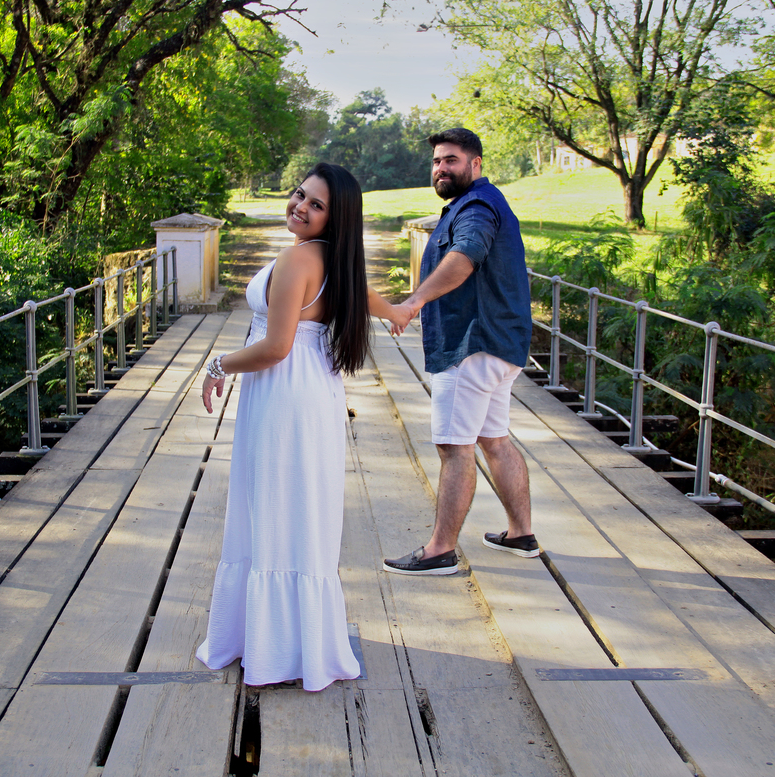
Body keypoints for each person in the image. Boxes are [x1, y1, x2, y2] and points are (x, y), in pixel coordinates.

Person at [196, 162, 399, 690]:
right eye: (298, 195)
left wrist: (217, 364)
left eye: (315, 205)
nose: (300, 207)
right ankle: (293, 640)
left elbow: (274, 347)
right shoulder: (337, 260)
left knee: (271, 505)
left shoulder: (295, 259)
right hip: (315, 391)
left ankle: (273, 646)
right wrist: (400, 310)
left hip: (283, 392)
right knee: (300, 509)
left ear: (335, 218)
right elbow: (368, 300)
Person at [381, 128, 539, 576]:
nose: (440, 168)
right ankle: (520, 533)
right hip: (498, 345)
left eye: (451, 160)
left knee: (455, 448)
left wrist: (412, 302)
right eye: (436, 161)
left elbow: (465, 257)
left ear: (476, 164)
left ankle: (440, 551)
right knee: (494, 439)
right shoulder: (478, 204)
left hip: (471, 345)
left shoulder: (476, 208)